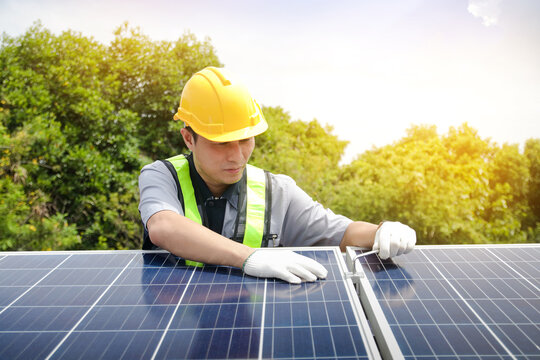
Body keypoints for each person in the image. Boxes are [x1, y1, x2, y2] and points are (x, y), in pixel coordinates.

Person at [138, 66, 416, 284]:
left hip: (251, 330)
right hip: (173, 333)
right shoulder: (162, 176)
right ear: (188, 138)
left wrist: (381, 230)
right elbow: (165, 228)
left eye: (245, 139)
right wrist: (249, 257)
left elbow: (340, 233)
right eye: (221, 143)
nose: (237, 156)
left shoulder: (277, 190)